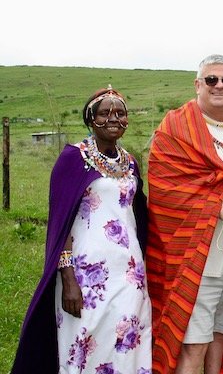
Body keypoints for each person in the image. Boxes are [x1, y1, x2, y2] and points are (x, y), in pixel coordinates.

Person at [12, 86, 151, 373]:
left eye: (120, 113)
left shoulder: (131, 162)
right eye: (104, 113)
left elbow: (137, 214)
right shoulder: (73, 159)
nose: (113, 118)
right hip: (86, 273)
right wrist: (68, 277)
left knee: (127, 338)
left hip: (129, 272)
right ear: (91, 119)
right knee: (86, 341)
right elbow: (60, 221)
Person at [146, 54, 223, 374]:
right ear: (197, 84)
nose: (219, 86)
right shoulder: (175, 127)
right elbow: (166, 192)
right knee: (193, 344)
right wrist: (215, 207)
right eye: (211, 80)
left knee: (221, 337)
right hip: (194, 256)